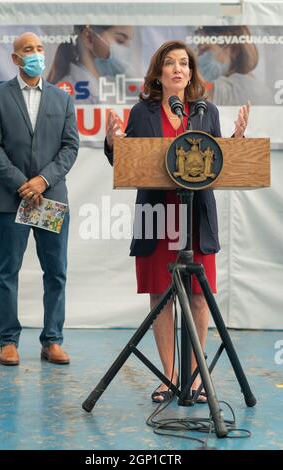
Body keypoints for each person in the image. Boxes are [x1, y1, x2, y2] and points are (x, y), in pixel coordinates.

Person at [104, 40, 249, 403]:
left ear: (191, 73)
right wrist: (112, 143)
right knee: (160, 297)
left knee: (199, 297)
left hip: (196, 217)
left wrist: (236, 140)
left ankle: (196, 376)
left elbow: (219, 163)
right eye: (170, 63)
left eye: (184, 63)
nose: (177, 69)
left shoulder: (206, 111)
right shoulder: (143, 112)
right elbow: (126, 161)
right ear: (159, 73)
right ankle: (169, 374)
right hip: (157, 215)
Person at [0, 32, 79, 365]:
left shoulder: (63, 98)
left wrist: (42, 180)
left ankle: (52, 340)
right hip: (12, 199)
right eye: (28, 50)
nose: (35, 54)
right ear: (15, 58)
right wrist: (22, 183)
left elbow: (70, 148)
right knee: (8, 271)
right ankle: (7, 341)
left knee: (56, 272)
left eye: (39, 49)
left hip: (50, 199)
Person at [47, 25, 133, 104]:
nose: (127, 49)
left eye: (128, 42)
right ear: (89, 38)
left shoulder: (99, 89)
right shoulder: (65, 94)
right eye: (120, 40)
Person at [196, 25, 274, 105]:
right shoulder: (265, 91)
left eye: (204, 49)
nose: (198, 56)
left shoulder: (226, 90)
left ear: (233, 50)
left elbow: (200, 88)